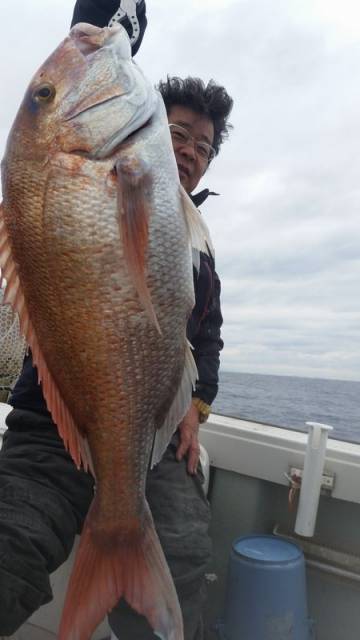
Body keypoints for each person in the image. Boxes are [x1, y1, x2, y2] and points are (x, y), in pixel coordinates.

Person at [0, 1, 233, 638]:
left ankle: (139, 572)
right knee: (9, 547)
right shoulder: (117, 168)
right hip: (54, 417)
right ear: (157, 126)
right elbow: (106, 45)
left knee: (183, 559)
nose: (188, 152)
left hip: (153, 437)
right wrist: (105, 23)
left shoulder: (199, 239)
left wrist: (195, 404)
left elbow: (205, 336)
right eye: (179, 134)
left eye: (204, 147)